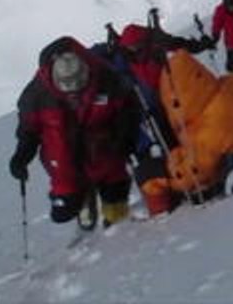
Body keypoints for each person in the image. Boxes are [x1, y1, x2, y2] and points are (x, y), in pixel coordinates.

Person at [8, 36, 142, 228]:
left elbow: (128, 109)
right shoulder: (36, 95)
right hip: (63, 161)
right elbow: (29, 129)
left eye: (79, 83)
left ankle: (118, 225)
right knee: (64, 211)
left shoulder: (106, 78)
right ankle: (82, 203)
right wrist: (22, 156)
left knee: (116, 195)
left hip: (105, 152)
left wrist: (126, 137)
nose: (73, 91)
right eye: (67, 86)